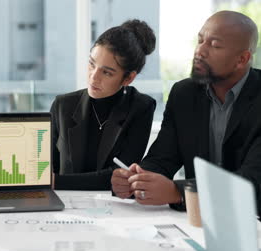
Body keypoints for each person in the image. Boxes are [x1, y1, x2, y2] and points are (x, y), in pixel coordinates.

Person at [111, 11, 261, 213]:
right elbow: (163, 158)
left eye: (214, 45)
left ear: (242, 59)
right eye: (200, 40)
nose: (200, 50)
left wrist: (179, 192)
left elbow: (252, 183)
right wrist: (137, 180)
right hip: (198, 220)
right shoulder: (184, 94)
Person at [51, 19, 156, 190]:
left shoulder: (141, 108)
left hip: (114, 209)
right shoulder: (63, 106)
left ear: (128, 78)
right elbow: (45, 171)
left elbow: (120, 177)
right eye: (92, 64)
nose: (93, 77)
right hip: (65, 205)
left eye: (106, 72)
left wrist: (58, 182)